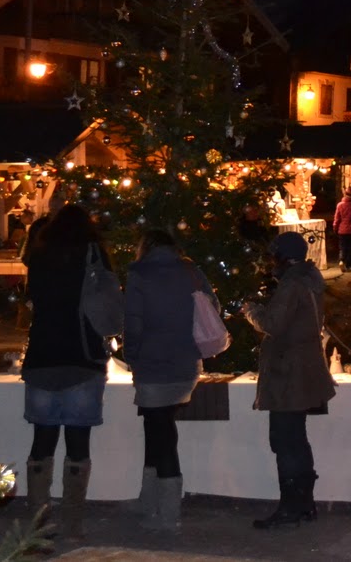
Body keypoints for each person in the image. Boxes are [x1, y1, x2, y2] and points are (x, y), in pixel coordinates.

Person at [20, 203, 112, 538]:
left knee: (42, 439)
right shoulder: (93, 255)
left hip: (43, 354)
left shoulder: (40, 256)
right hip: (83, 356)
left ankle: (39, 518)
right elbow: (108, 300)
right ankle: (73, 521)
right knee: (78, 441)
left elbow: (31, 299)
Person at [243, 231, 337, 530]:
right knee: (296, 439)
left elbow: (273, 324)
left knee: (285, 441)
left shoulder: (292, 284)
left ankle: (290, 507)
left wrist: (251, 310)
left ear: (283, 257)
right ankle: (304, 504)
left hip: (288, 374)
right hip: (304, 369)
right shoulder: (309, 279)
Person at [123, 227, 208, 533]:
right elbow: (212, 309)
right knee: (157, 426)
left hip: (152, 363)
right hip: (186, 363)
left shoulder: (139, 275)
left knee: (161, 432)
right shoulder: (191, 271)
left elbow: (133, 322)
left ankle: (168, 512)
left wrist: (131, 356)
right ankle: (149, 499)